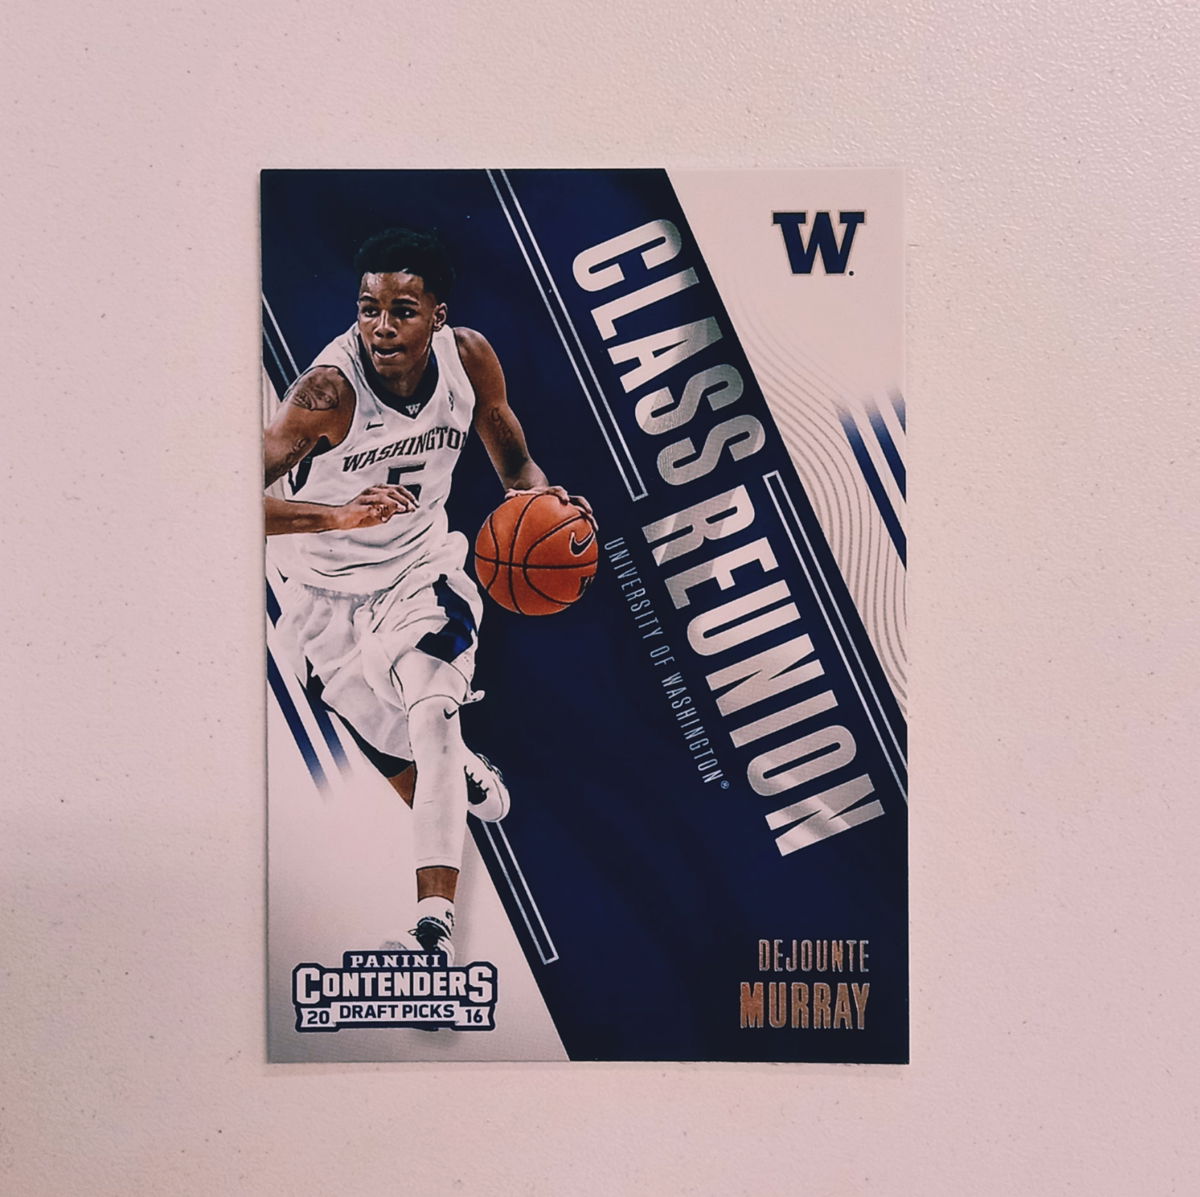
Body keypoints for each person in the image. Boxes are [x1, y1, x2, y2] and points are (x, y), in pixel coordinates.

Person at [263, 226, 591, 965]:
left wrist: (546, 507)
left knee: (435, 712)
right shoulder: (326, 394)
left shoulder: (468, 359)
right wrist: (336, 516)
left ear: (438, 315)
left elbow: (517, 466)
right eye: (368, 309)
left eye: (402, 310)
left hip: (420, 571)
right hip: (320, 598)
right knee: (404, 753)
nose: (381, 327)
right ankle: (455, 763)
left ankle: (432, 927)